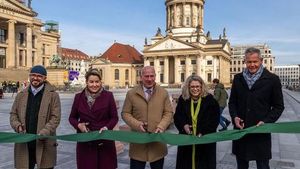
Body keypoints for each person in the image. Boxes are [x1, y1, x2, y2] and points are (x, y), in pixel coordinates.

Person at [229, 47, 284, 169]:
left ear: (261, 61)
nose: (252, 65)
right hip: (241, 131)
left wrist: (266, 121)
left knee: (263, 165)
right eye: (249, 62)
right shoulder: (238, 78)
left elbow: (278, 106)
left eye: (255, 61)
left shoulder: (272, 79)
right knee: (241, 165)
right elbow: (232, 102)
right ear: (245, 61)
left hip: (261, 131)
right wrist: (235, 117)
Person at [10, 65, 61, 169]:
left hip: (44, 141)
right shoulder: (21, 94)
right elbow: (13, 114)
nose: (35, 78)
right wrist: (18, 126)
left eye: (39, 76)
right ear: (29, 76)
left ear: (44, 78)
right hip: (25, 142)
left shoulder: (53, 95)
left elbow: (55, 117)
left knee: (45, 166)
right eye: (33, 75)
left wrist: (45, 131)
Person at [122, 66, 173, 169]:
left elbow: (168, 112)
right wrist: (137, 124)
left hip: (157, 141)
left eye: (152, 76)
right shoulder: (131, 93)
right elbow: (125, 113)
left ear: (155, 76)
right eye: (146, 76)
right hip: (138, 142)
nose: (149, 79)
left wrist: (162, 126)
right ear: (141, 77)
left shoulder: (163, 92)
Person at [69, 68, 118, 169]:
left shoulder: (108, 96)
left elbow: (114, 118)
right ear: (86, 82)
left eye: (97, 82)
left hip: (104, 140)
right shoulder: (78, 97)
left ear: (101, 82)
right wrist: (78, 125)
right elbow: (72, 118)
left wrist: (107, 127)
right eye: (91, 82)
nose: (94, 85)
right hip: (86, 141)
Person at [174, 75, 220, 169]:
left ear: (202, 87)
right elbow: (178, 117)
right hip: (187, 140)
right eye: (192, 87)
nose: (195, 89)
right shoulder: (183, 100)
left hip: (204, 140)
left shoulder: (210, 100)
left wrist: (203, 131)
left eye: (197, 86)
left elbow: (214, 120)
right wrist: (184, 126)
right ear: (188, 87)